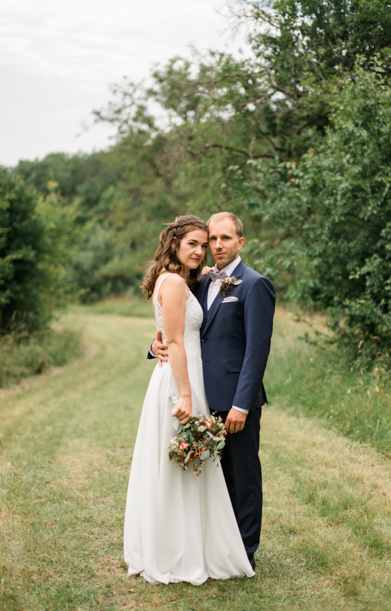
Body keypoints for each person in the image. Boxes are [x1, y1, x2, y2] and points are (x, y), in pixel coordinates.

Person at [124, 215, 254, 585]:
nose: (201, 250)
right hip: (181, 383)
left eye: (205, 243)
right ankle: (176, 551)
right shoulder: (175, 282)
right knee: (181, 465)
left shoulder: (185, 282)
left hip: (189, 377)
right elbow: (176, 340)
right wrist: (184, 392)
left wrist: (156, 344)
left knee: (189, 465)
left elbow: (168, 333)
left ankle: (194, 544)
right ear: (175, 244)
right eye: (194, 243)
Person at [151, 212, 276, 569]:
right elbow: (179, 328)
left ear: (240, 241)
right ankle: (217, 545)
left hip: (235, 399)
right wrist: (154, 345)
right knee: (211, 478)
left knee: (243, 474)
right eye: (211, 240)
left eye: (224, 239)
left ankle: (245, 550)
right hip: (204, 396)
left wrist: (242, 405)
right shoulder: (200, 281)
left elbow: (256, 351)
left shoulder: (254, 284)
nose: (216, 246)